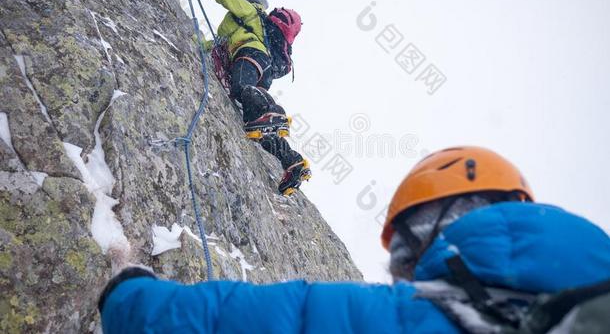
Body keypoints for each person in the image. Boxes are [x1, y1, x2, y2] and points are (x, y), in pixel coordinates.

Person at [98, 146, 610, 333]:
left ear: (444, 218)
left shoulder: (423, 315)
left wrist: (127, 291)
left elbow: (243, 319)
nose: (402, 271)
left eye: (408, 248)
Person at [178, 0, 310, 195]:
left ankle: (274, 113)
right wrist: (192, 43)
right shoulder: (249, 32)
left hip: (250, 55)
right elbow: (213, 46)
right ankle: (292, 162)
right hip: (261, 67)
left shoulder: (250, 12)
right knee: (256, 123)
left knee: (241, 88)